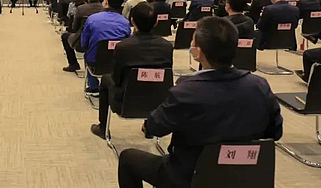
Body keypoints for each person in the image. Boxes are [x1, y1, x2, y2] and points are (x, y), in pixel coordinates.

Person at [118, 17, 283, 188]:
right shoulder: (260, 85)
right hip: (245, 177)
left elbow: (154, 128)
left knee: (128, 158)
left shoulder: (186, 91)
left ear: (198, 53)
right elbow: (275, 132)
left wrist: (147, 126)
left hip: (190, 177)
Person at [90, 3, 173, 138]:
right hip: (158, 101)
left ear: (132, 21)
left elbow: (117, 79)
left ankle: (103, 127)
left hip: (126, 102)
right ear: (156, 22)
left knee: (106, 79)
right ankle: (149, 127)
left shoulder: (123, 46)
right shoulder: (167, 46)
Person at [81, 0, 131, 94]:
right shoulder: (125, 22)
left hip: (96, 62)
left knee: (88, 54)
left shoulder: (92, 19)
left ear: (106, 2)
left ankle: (93, 87)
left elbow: (84, 44)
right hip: (118, 62)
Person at [62, 0, 103, 72]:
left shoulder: (81, 9)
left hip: (83, 43)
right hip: (101, 41)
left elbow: (74, 27)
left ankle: (73, 64)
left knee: (65, 37)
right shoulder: (104, 9)